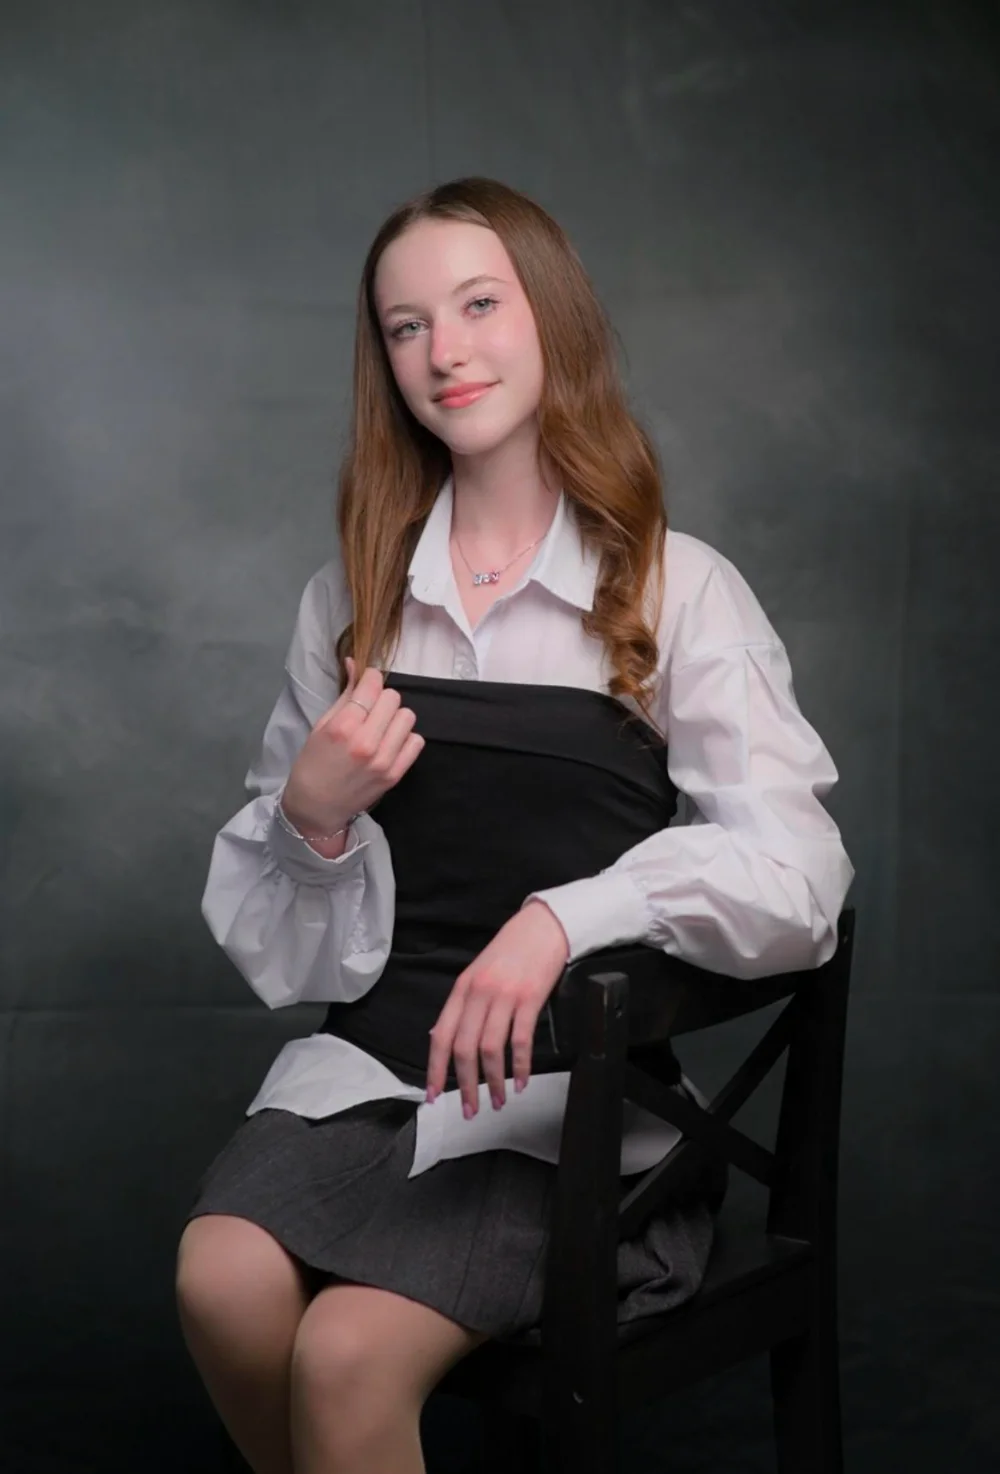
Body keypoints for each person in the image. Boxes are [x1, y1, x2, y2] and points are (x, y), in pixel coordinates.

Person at [175, 176, 854, 1474]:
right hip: (368, 1084)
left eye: (479, 304)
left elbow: (801, 879)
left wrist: (566, 918)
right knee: (221, 1282)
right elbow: (290, 964)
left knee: (347, 1353)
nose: (446, 349)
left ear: (553, 318)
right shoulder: (349, 602)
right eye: (407, 324)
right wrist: (310, 818)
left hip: (573, 1117)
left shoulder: (675, 586)